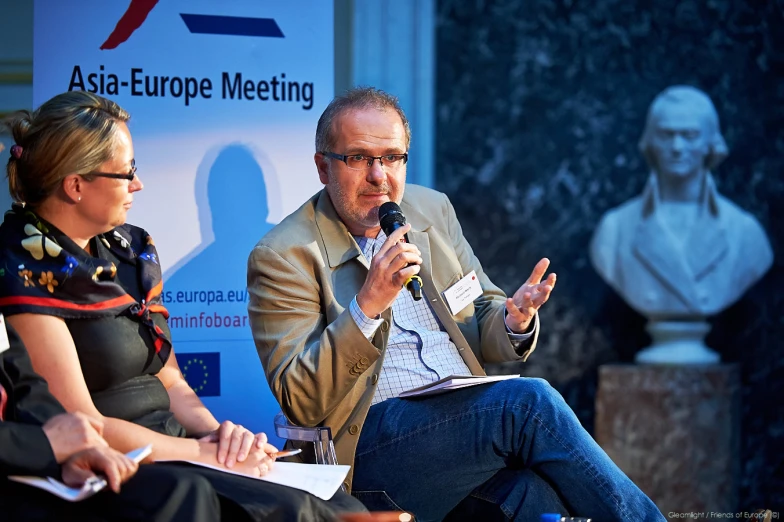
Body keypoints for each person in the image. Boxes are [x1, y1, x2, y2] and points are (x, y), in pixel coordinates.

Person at [247, 87, 665, 522]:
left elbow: (481, 310)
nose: (379, 176)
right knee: (526, 404)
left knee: (532, 496)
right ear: (322, 167)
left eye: (392, 157)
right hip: (366, 449)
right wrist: (367, 305)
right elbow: (301, 400)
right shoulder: (284, 254)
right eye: (358, 158)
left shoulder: (431, 210)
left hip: (462, 431)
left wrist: (512, 320)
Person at [0, 91, 364, 521]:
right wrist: (204, 452)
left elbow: (170, 380)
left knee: (338, 505)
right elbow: (82, 423)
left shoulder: (130, 249)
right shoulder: (21, 266)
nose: (138, 184)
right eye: (126, 171)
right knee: (292, 511)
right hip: (122, 457)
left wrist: (221, 436)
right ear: (76, 185)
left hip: (177, 444)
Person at [1, 319, 224, 521]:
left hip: (37, 465)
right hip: (17, 464)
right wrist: (43, 444)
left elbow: (23, 385)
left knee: (183, 491)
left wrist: (74, 447)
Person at [590, 85, 773, 318]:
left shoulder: (745, 233)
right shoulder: (614, 231)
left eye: (690, 135)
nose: (677, 148)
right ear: (651, 142)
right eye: (667, 135)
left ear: (711, 143)